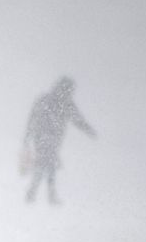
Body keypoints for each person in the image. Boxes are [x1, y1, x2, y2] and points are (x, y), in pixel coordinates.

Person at [22, 76, 96, 204]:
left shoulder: (46, 99)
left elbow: (33, 115)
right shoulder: (65, 103)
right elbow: (77, 120)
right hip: (49, 137)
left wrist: (28, 133)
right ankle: (45, 194)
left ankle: (34, 192)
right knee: (48, 163)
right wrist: (88, 129)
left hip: (43, 137)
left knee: (45, 162)